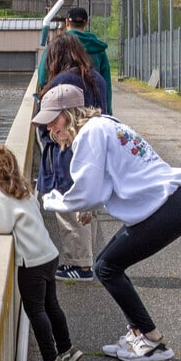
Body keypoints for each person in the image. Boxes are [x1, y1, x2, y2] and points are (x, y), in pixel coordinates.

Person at [32, 84, 181, 361]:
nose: (50, 128)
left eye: (53, 119)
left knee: (107, 267)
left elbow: (88, 190)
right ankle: (139, 335)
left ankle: (152, 341)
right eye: (46, 124)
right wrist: (89, 205)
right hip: (174, 203)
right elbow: (106, 181)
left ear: (70, 113)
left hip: (166, 207)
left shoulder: (90, 134)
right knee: (111, 265)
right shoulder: (103, 124)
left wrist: (47, 201)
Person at [0, 145, 82, 361]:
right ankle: (67, 348)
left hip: (31, 264)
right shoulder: (23, 188)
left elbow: (1, 226)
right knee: (51, 305)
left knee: (36, 311)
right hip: (48, 255)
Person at [36, 33, 108, 281]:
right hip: (94, 150)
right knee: (88, 204)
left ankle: (80, 265)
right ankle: (88, 260)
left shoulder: (61, 82)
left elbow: (45, 120)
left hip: (66, 151)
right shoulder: (96, 78)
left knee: (68, 208)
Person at [37, 7, 113, 112]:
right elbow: (106, 85)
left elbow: (42, 79)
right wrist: (108, 112)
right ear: (86, 23)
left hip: (62, 109)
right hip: (91, 109)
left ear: (67, 22)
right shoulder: (98, 48)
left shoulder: (56, 45)